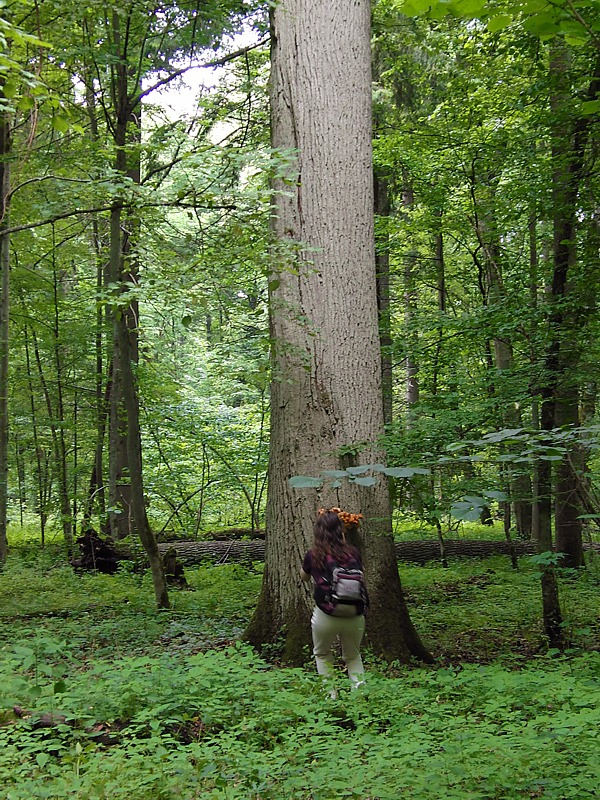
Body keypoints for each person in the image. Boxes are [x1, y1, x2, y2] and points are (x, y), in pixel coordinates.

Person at [301, 508, 368, 690]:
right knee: (353, 656)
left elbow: (304, 577)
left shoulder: (314, 554)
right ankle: (359, 692)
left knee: (322, 654)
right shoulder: (353, 553)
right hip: (355, 612)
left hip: (327, 614)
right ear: (341, 531)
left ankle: (330, 695)